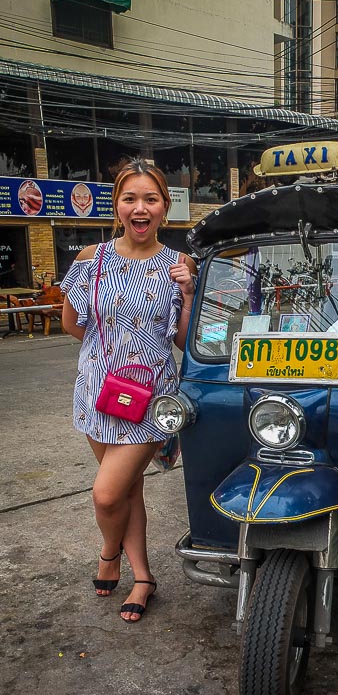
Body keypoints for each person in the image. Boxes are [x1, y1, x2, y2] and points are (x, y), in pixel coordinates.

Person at [61, 159, 197, 623]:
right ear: (117, 205)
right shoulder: (89, 260)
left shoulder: (179, 265)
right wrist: (113, 354)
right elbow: (73, 325)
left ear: (165, 207)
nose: (140, 208)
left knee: (105, 494)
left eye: (151, 199)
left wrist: (189, 296)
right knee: (126, 492)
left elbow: (185, 341)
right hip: (97, 394)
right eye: (130, 198)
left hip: (151, 399)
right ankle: (143, 576)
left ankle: (108, 551)